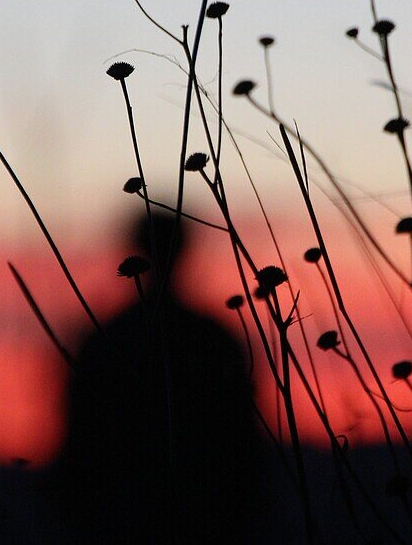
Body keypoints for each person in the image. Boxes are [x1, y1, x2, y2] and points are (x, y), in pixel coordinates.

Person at [48, 211, 268, 543]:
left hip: (127, 517)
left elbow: (79, 446)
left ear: (135, 250)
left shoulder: (105, 341)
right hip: (197, 518)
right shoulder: (213, 340)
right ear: (185, 252)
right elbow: (244, 450)